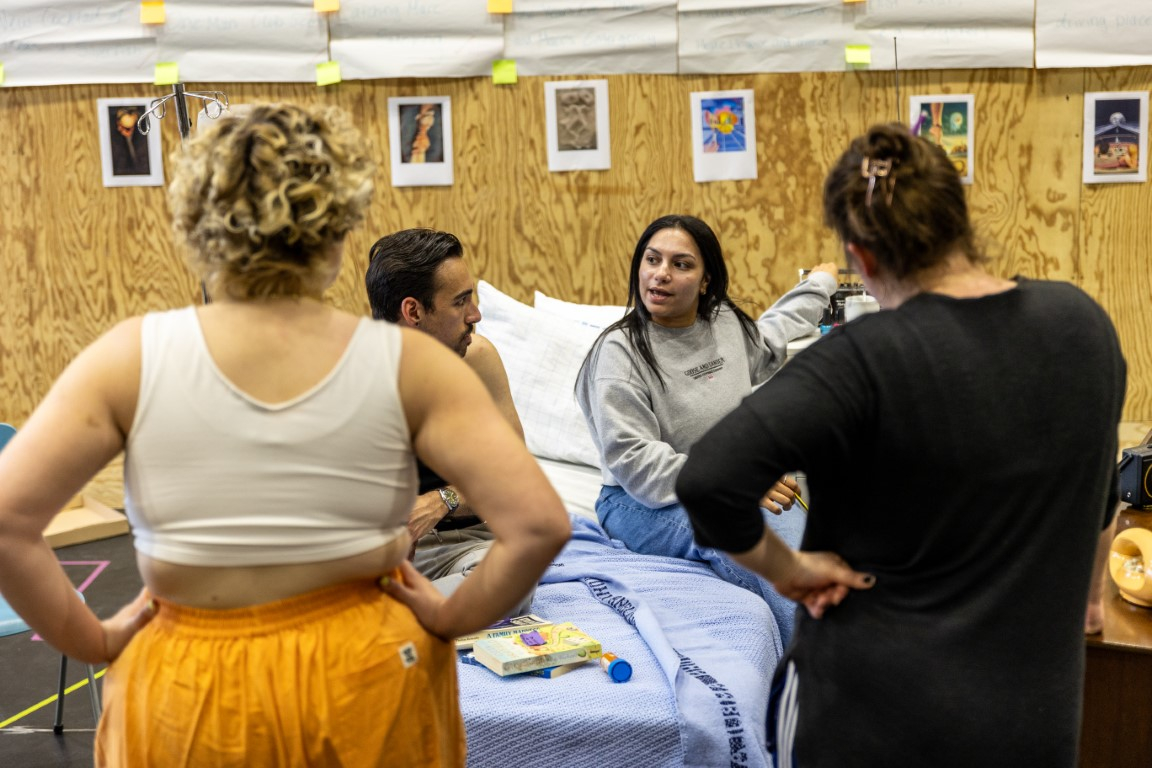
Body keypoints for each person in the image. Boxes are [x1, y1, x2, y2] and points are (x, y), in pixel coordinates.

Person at [0, 103, 569, 767]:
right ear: (337, 230)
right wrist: (448, 617)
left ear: (196, 226)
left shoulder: (130, 357)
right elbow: (539, 525)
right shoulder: (407, 362)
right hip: (365, 676)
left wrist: (92, 638)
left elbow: (9, 521)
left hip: (192, 685)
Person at [676, 123, 1126, 768]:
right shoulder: (1082, 322)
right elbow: (1100, 494)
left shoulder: (859, 360)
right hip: (1031, 723)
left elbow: (709, 480)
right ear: (960, 219)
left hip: (872, 720)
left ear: (860, 258)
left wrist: (792, 572)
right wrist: (1085, 601)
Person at [574, 213, 839, 647]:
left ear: (705, 280)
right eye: (652, 259)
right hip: (639, 501)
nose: (660, 274)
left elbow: (771, 337)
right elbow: (635, 463)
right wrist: (732, 482)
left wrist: (820, 285)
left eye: (681, 264)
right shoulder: (618, 354)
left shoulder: (724, 326)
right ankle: (818, 669)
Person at [365, 228, 535, 615]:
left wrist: (443, 500)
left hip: (465, 545)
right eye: (460, 302)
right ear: (414, 312)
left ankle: (379, 616)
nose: (475, 315)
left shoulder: (477, 361)